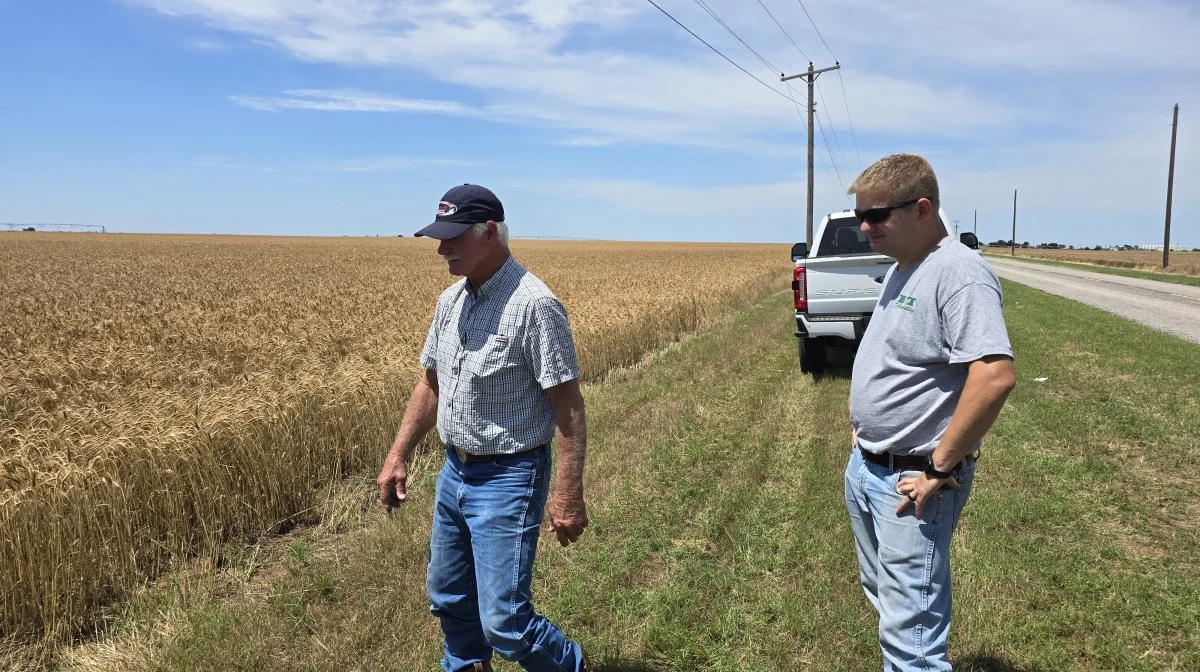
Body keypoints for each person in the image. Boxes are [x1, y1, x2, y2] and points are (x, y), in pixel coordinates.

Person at [377, 184, 590, 672]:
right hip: (454, 473)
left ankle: (570, 666)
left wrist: (568, 493)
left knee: (506, 623)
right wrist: (398, 454)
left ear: (489, 232)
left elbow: (569, 407)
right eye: (439, 236)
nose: (441, 248)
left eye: (453, 237)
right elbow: (430, 382)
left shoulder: (534, 305)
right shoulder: (450, 302)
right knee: (448, 596)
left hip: (510, 476)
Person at [843, 154, 1017, 671]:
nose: (865, 227)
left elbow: (994, 377)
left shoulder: (959, 273)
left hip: (911, 479)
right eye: (860, 217)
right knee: (887, 599)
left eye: (876, 215)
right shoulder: (905, 267)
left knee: (911, 636)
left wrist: (938, 468)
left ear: (921, 208)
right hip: (871, 466)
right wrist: (865, 430)